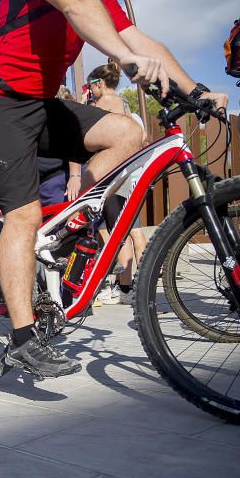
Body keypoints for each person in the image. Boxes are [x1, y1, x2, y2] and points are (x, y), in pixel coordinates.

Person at [0, 0, 228, 378]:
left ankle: (76, 222)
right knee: (23, 215)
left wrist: (197, 90)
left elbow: (141, 40)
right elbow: (74, 5)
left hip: (42, 107)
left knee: (127, 132)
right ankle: (24, 339)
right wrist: (124, 57)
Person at [86, 60, 150, 305]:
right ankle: (129, 288)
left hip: (107, 174)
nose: (90, 90)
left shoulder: (102, 104)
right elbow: (139, 137)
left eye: (91, 85)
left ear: (99, 83)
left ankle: (124, 289)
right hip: (123, 173)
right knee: (122, 230)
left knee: (116, 233)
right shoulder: (124, 105)